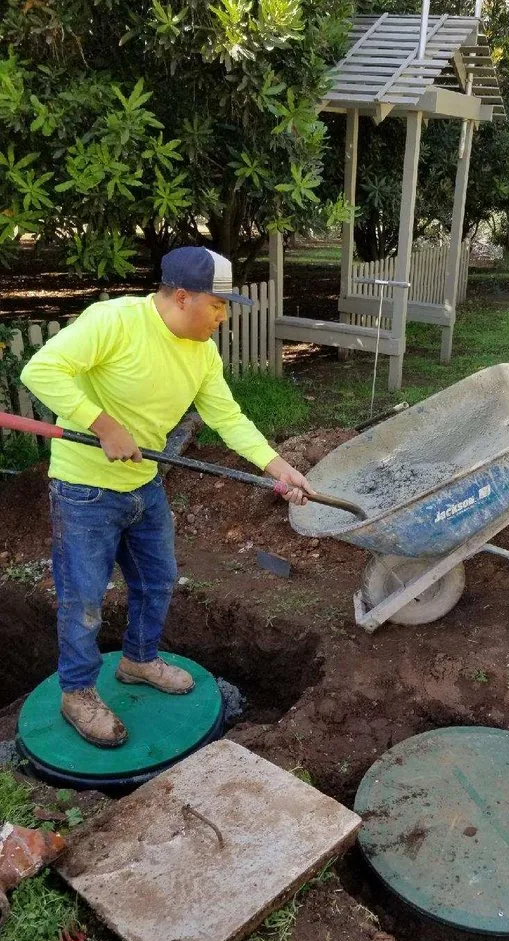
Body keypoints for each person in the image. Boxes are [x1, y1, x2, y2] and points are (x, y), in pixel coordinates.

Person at [20, 246, 313, 747]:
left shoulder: (202, 353)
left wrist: (278, 466)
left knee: (157, 580)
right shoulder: (114, 322)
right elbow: (40, 371)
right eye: (218, 306)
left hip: (144, 484)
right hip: (84, 491)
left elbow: (227, 416)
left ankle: (138, 660)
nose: (223, 317)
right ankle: (77, 693)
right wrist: (105, 425)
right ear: (182, 297)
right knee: (84, 599)